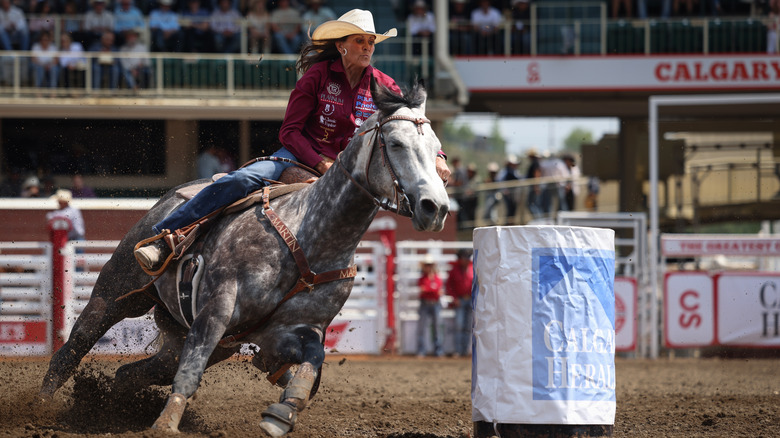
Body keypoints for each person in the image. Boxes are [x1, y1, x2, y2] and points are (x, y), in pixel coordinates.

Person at [134, 8, 451, 269]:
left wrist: (438, 157)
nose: (368, 47)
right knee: (239, 180)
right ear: (342, 46)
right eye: (360, 41)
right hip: (295, 159)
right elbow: (289, 132)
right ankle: (165, 237)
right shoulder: (318, 76)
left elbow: (415, 125)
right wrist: (319, 161)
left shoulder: (384, 86)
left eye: (371, 41)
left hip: (345, 176)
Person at [446, 249, 473, 357]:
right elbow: (449, 286)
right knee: (459, 325)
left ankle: (465, 350)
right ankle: (458, 350)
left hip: (470, 300)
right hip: (460, 300)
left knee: (467, 326)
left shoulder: (472, 269)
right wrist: (454, 298)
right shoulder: (454, 270)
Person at [416, 255, 443, 358]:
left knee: (436, 328)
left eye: (430, 265)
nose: (428, 267)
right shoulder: (423, 278)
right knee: (422, 328)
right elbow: (429, 290)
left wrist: (429, 290)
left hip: (434, 303)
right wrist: (433, 289)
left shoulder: (436, 278)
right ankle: (422, 350)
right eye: (427, 265)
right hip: (426, 303)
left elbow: (430, 290)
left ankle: (438, 350)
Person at [524, 148, 544, 218]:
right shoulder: (536, 162)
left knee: (532, 204)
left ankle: (539, 220)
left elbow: (537, 174)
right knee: (534, 204)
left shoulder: (535, 163)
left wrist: (536, 186)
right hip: (534, 186)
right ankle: (539, 219)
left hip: (534, 187)